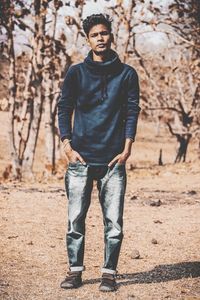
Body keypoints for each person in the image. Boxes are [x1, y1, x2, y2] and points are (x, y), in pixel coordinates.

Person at [57, 13, 140, 292]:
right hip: (80, 159)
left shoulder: (127, 74)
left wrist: (127, 147)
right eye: (95, 35)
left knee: (114, 222)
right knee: (75, 220)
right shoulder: (76, 73)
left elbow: (131, 111)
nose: (100, 38)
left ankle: (109, 273)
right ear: (88, 39)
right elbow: (64, 108)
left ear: (111, 36)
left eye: (104, 33)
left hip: (113, 161)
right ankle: (75, 272)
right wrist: (67, 145)